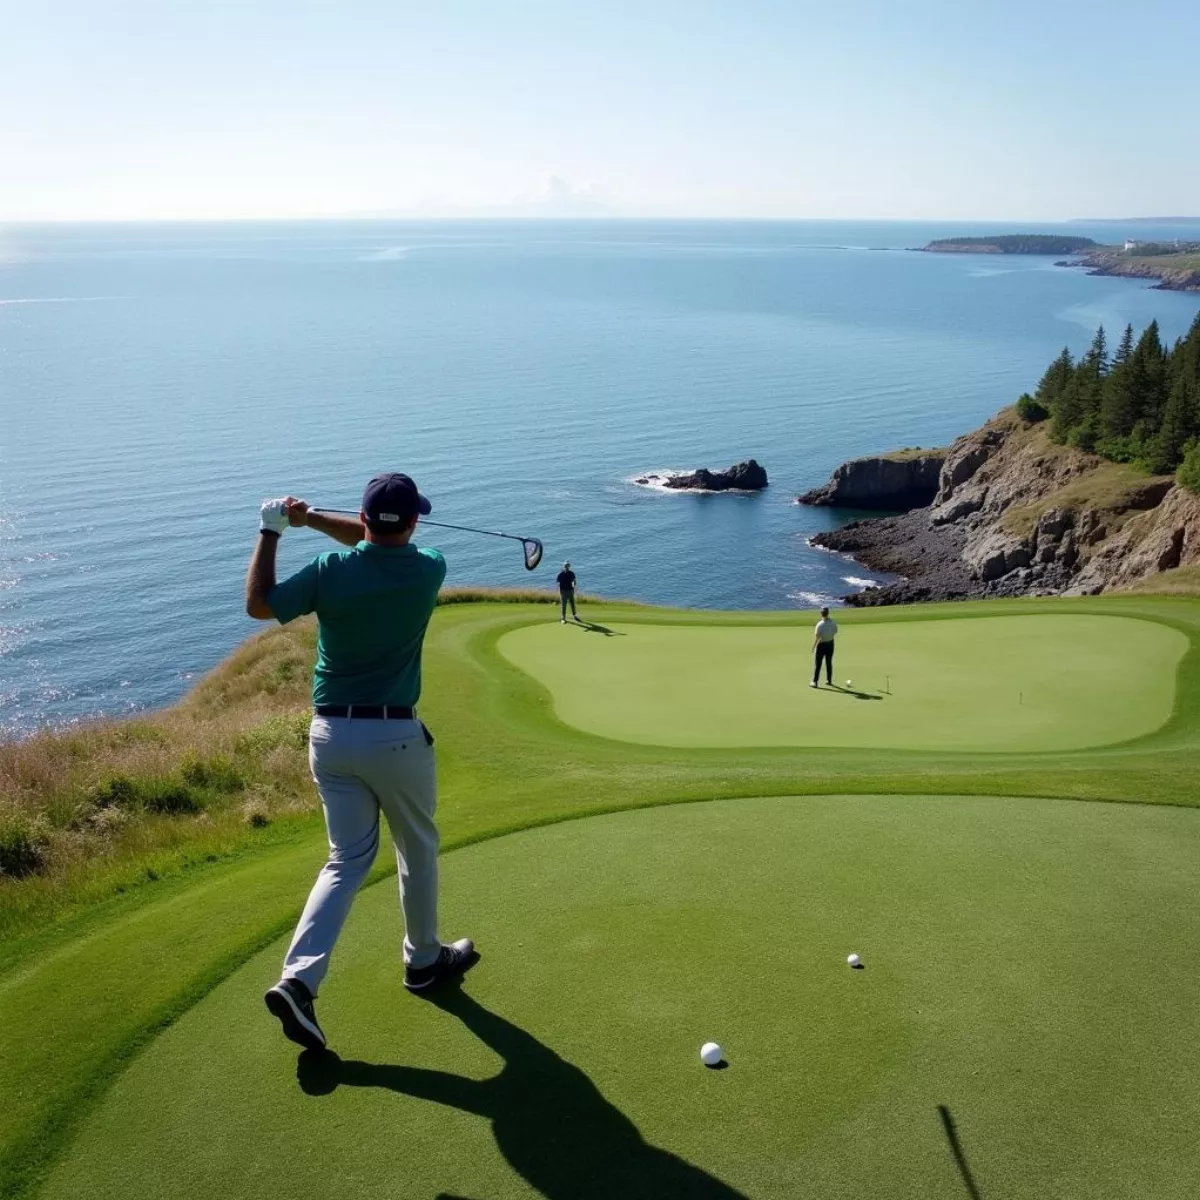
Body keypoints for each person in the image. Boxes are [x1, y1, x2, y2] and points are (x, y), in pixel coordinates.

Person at [246, 473, 477, 1053]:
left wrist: (274, 530)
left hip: (330, 735)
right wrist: (320, 520)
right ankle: (423, 961)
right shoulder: (430, 567)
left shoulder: (330, 571)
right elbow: (376, 541)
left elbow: (258, 605)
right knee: (416, 849)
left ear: (365, 518)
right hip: (396, 735)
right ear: (416, 522)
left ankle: (299, 980)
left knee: (345, 860)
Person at [811, 605, 838, 688]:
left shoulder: (820, 624)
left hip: (822, 645)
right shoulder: (833, 623)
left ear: (821, 614)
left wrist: (814, 646)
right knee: (829, 663)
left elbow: (817, 637)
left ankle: (815, 682)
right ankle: (829, 680)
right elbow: (835, 632)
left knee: (818, 664)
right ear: (828, 613)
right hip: (831, 644)